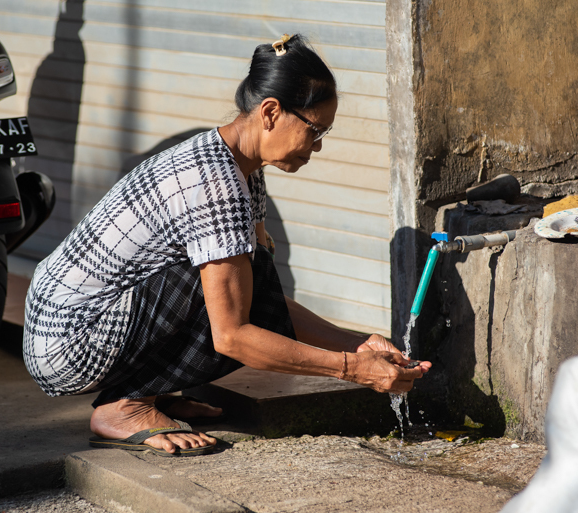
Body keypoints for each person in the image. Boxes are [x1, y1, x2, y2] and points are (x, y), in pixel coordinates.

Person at [22, 34, 431, 457]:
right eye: (314, 130)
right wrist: (353, 370)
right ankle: (124, 408)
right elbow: (234, 336)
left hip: (84, 324)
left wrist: (358, 342)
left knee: (248, 278)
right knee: (227, 293)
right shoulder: (215, 184)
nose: (318, 146)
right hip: (66, 344)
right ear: (271, 112)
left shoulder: (238, 165)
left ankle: (152, 391)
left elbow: (262, 299)